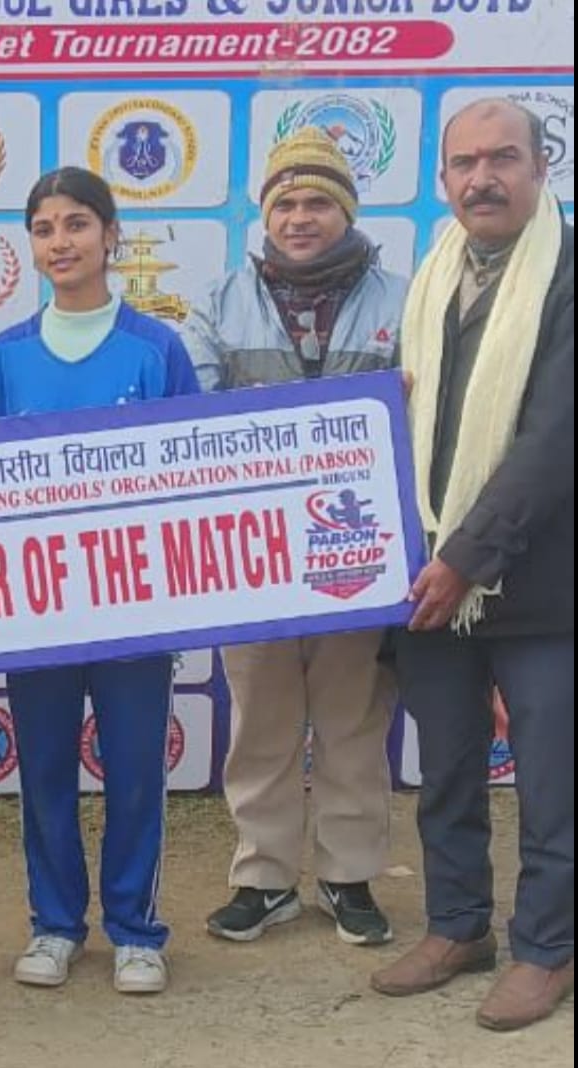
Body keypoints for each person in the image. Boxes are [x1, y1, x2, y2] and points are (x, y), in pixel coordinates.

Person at [371, 98, 573, 1032]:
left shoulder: (563, 277)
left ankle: (548, 946)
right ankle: (458, 927)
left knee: (552, 781)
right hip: (431, 581)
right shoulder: (433, 279)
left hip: (543, 588)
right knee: (447, 769)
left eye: (503, 159)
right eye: (465, 163)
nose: (482, 179)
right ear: (444, 179)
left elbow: (552, 444)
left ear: (541, 169)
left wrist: (463, 557)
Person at [0, 166, 200, 995]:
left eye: (76, 223)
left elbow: (194, 472)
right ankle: (55, 924)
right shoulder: (6, 355)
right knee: (43, 769)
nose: (60, 241)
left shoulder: (157, 349)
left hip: (135, 601)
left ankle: (137, 930)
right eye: (43, 228)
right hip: (37, 605)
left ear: (111, 235)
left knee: (136, 767)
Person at [180, 127, 407, 947]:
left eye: (318, 202)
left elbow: (425, 413)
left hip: (361, 551)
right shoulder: (219, 302)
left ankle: (349, 876)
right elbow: (193, 415)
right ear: (266, 215)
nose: (300, 217)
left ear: (347, 211)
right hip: (256, 558)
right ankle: (264, 877)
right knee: (262, 722)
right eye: (285, 203)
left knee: (353, 720)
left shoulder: (405, 299)